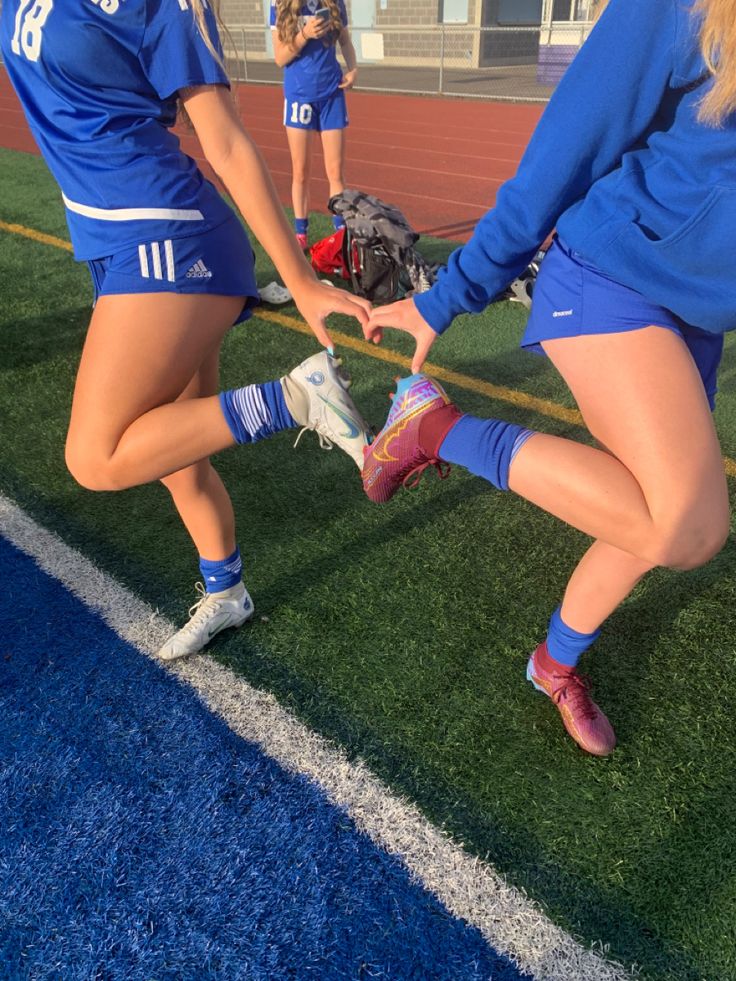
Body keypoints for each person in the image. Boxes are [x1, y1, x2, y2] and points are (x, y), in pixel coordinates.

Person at [362, 0, 734, 756]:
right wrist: (449, 293)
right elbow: (561, 155)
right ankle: (434, 428)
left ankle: (552, 663)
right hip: (611, 274)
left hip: (698, 310)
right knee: (688, 526)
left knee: (645, 516)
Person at [2, 0, 372, 660]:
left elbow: (226, 144)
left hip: (165, 238)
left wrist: (303, 280)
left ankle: (297, 398)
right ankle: (227, 591)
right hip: (122, 244)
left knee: (96, 455)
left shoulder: (158, 6)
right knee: (178, 457)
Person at [270, 0, 357, 249]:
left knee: (336, 172)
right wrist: (305, 34)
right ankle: (301, 234)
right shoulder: (280, 5)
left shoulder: (333, 3)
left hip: (332, 94)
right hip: (299, 96)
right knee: (301, 171)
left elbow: (346, 42)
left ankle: (341, 233)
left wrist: (353, 70)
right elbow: (280, 58)